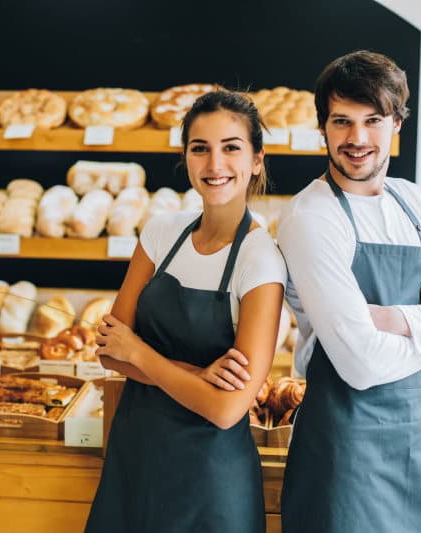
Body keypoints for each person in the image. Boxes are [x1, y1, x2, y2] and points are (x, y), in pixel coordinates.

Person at [276, 50, 421, 532]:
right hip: (341, 454)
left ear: (396, 123)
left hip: (414, 443)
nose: (357, 138)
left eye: (373, 120)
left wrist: (397, 317)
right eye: (342, 121)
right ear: (323, 128)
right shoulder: (310, 218)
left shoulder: (414, 204)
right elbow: (360, 365)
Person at [84, 90, 287, 533]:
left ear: (256, 159)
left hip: (211, 481)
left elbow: (227, 409)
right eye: (200, 149)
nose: (215, 165)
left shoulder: (260, 261)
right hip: (135, 459)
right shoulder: (161, 233)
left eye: (231, 147)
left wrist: (140, 354)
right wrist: (195, 375)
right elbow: (108, 351)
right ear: (186, 158)